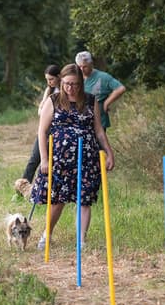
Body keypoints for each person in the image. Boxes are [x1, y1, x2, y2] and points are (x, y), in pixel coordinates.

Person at [30, 63, 115, 250]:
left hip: (87, 157)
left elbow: (99, 131)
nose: (71, 88)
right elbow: (42, 132)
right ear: (61, 82)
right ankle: (47, 233)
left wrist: (109, 152)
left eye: (75, 84)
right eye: (67, 84)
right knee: (58, 200)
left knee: (84, 198)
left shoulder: (91, 101)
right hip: (60, 159)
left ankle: (81, 241)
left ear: (81, 84)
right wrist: (44, 159)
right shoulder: (53, 101)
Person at [16, 65, 61, 192]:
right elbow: (40, 111)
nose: (49, 82)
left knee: (49, 162)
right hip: (45, 129)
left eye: (51, 79)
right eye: (47, 79)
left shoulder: (65, 91)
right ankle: (22, 189)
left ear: (59, 77)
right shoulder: (49, 90)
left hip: (57, 131)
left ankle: (43, 190)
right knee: (34, 159)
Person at [75, 51, 126, 131]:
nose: (82, 69)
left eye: (85, 67)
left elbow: (120, 88)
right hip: (80, 121)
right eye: (79, 67)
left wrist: (107, 102)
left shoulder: (103, 77)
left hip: (99, 121)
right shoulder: (75, 78)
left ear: (91, 64)